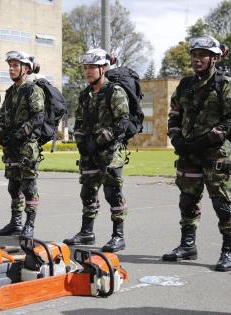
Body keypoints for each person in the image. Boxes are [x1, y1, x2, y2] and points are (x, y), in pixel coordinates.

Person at [163, 36, 231, 272]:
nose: (197, 59)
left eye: (203, 55)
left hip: (216, 152)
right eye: (194, 55)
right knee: (187, 200)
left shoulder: (226, 85)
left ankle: (228, 251)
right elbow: (175, 113)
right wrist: (176, 137)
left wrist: (206, 139)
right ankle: (188, 246)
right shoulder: (185, 84)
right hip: (188, 152)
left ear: (215, 57)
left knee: (222, 202)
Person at [63, 49, 130, 253]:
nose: (88, 71)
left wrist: (100, 141)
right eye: (85, 67)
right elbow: (80, 121)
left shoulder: (115, 91)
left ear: (103, 68)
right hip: (89, 154)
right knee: (87, 193)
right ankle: (87, 232)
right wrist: (81, 142)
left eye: (92, 67)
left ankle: (118, 236)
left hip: (110, 153)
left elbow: (122, 123)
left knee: (113, 193)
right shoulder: (86, 94)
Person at [0, 51, 44, 239]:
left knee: (29, 187)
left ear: (26, 69)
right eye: (10, 66)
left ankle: (29, 225)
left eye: (15, 65)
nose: (11, 69)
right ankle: (15, 223)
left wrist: (20, 134)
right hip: (11, 148)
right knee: (13, 187)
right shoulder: (11, 91)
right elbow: (3, 116)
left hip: (27, 146)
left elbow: (38, 116)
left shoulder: (33, 89)